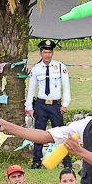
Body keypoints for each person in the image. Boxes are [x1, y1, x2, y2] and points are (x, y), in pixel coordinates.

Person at [26, 39, 71, 170]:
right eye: (45, 52)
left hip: (56, 105)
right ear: (40, 53)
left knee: (61, 133)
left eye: (49, 52)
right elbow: (32, 89)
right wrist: (29, 107)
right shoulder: (36, 69)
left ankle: (66, 161)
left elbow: (66, 86)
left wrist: (65, 104)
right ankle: (36, 161)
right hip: (40, 105)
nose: (47, 55)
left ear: (53, 53)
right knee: (38, 134)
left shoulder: (61, 67)